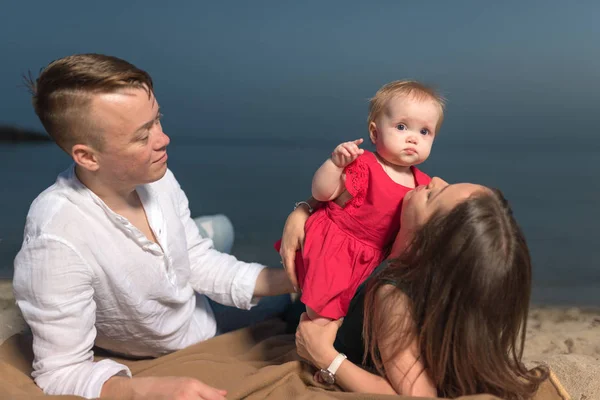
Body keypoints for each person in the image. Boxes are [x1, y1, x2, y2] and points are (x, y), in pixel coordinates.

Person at [12, 53, 294, 400]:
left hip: (193, 306)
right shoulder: (55, 240)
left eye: (157, 120)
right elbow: (60, 372)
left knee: (214, 242)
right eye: (142, 136)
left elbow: (196, 262)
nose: (163, 140)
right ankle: (216, 230)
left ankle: (214, 230)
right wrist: (144, 390)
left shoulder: (158, 178)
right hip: (187, 331)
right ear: (87, 157)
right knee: (286, 307)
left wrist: (286, 277)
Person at [282, 177, 548, 399]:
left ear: (427, 242)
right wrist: (302, 211)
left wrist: (324, 356)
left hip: (298, 324)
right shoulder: (434, 271)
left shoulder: (391, 297)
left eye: (435, 195)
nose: (434, 180)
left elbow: (417, 397)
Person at [276, 81, 444, 324]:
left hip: (375, 260)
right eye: (401, 126)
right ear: (375, 133)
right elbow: (323, 193)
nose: (413, 138)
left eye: (424, 132)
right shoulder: (364, 164)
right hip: (339, 250)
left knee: (356, 315)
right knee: (322, 312)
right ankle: (311, 339)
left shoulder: (423, 184)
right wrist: (335, 165)